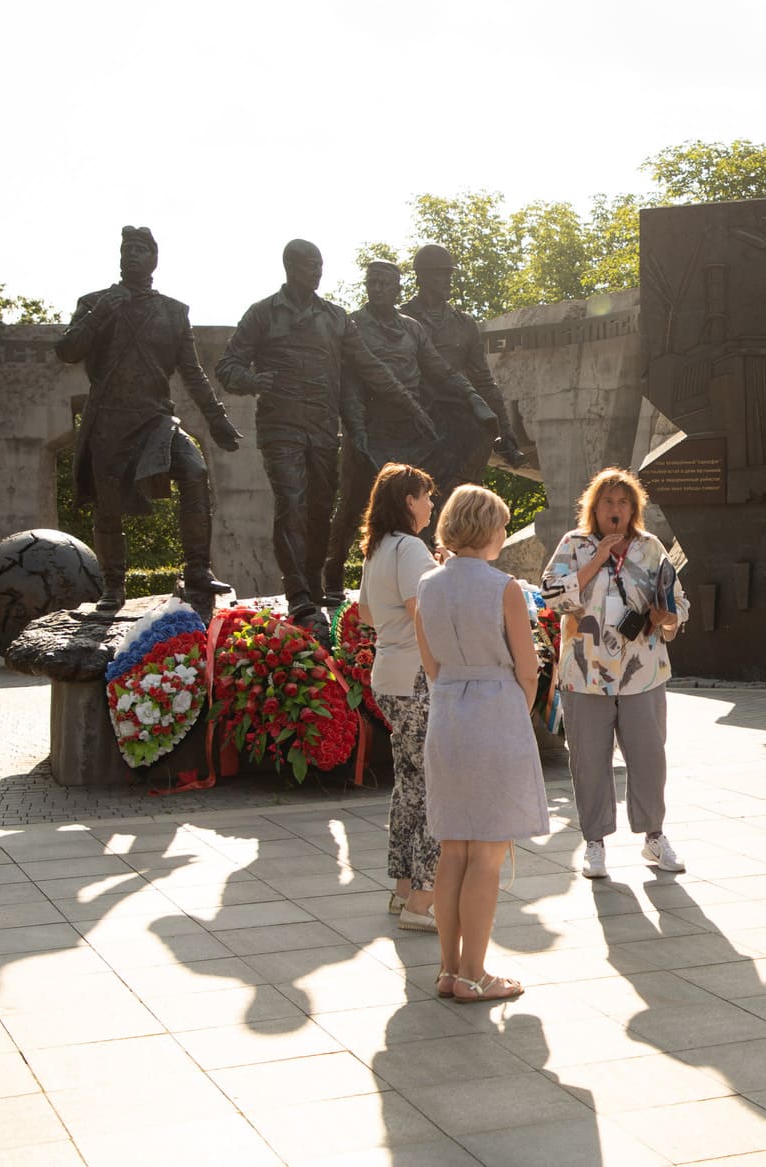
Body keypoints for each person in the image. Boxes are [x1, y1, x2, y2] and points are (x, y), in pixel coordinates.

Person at [217, 240, 434, 640]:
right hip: (280, 427)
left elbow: (369, 366)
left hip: (321, 429)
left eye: (319, 265)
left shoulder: (335, 318)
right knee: (291, 503)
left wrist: (410, 405)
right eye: (308, 266)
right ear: (289, 267)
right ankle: (298, 594)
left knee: (319, 510)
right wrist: (250, 380)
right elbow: (227, 367)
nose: (316, 272)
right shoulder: (263, 314)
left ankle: (313, 589)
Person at [55, 226, 243, 611]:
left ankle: (196, 570)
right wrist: (103, 310)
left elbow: (192, 373)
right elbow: (68, 349)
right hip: (108, 418)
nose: (133, 255)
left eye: (141, 249)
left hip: (156, 419)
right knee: (107, 505)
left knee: (194, 471)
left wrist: (217, 418)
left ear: (154, 258)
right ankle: (113, 586)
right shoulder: (94, 302)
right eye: (127, 248)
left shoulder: (173, 313)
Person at [415, 485, 550, 1002]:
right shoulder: (505, 587)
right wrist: (517, 706)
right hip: (494, 711)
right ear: (490, 529)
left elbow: (431, 666)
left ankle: (450, 970)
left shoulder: (428, 585)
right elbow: (528, 667)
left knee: (452, 851)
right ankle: (475, 973)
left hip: (448, 711)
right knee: (488, 855)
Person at [540, 468, 688, 880]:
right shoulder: (574, 544)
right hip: (585, 676)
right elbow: (550, 595)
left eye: (623, 502)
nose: (616, 509)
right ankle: (594, 842)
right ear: (595, 507)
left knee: (649, 758)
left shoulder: (650, 547)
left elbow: (678, 603)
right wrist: (596, 561)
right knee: (589, 761)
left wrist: (668, 618)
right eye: (608, 502)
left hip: (643, 674)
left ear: (634, 508)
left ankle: (654, 836)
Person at [322, 259, 494, 598]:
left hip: (411, 431)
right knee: (354, 502)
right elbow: (351, 386)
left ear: (398, 289)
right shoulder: (354, 325)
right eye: (372, 282)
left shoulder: (412, 328)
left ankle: (425, 573)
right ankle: (333, 573)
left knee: (421, 502)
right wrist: (357, 432)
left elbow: (440, 369)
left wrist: (473, 397)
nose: (376, 289)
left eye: (384, 283)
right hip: (372, 429)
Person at [360, 463, 443, 931]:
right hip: (418, 678)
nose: (432, 503)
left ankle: (402, 891)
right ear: (408, 501)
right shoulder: (411, 548)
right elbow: (425, 614)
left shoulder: (378, 548)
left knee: (410, 786)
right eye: (426, 495)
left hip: (388, 675)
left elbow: (367, 616)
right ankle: (420, 905)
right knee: (435, 788)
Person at [400, 243, 528, 480]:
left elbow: (484, 380)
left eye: (450, 275)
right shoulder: (402, 319)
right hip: (415, 414)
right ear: (422, 276)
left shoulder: (464, 323)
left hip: (458, 415)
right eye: (442, 275)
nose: (448, 281)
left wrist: (505, 427)